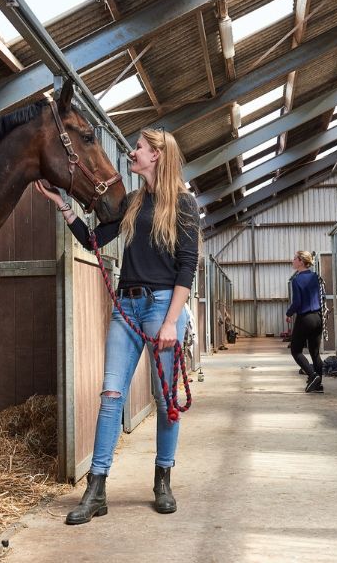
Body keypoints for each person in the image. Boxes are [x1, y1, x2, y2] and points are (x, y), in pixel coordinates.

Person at [34, 127, 200, 524]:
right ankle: (97, 489)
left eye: (139, 147)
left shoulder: (184, 204)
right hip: (126, 306)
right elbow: (94, 238)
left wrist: (172, 321)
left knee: (165, 401)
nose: (132, 151)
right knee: (111, 396)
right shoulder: (132, 201)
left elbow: (187, 266)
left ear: (157, 156)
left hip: (162, 306)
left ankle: (162, 478)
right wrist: (63, 206)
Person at [286, 251, 325, 394]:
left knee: (296, 350)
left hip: (305, 318)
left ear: (301, 261)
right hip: (317, 318)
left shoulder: (297, 280)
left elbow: (297, 303)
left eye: (295, 258)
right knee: (315, 353)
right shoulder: (316, 277)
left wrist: (289, 313)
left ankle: (312, 375)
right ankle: (318, 385)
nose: (293, 260)